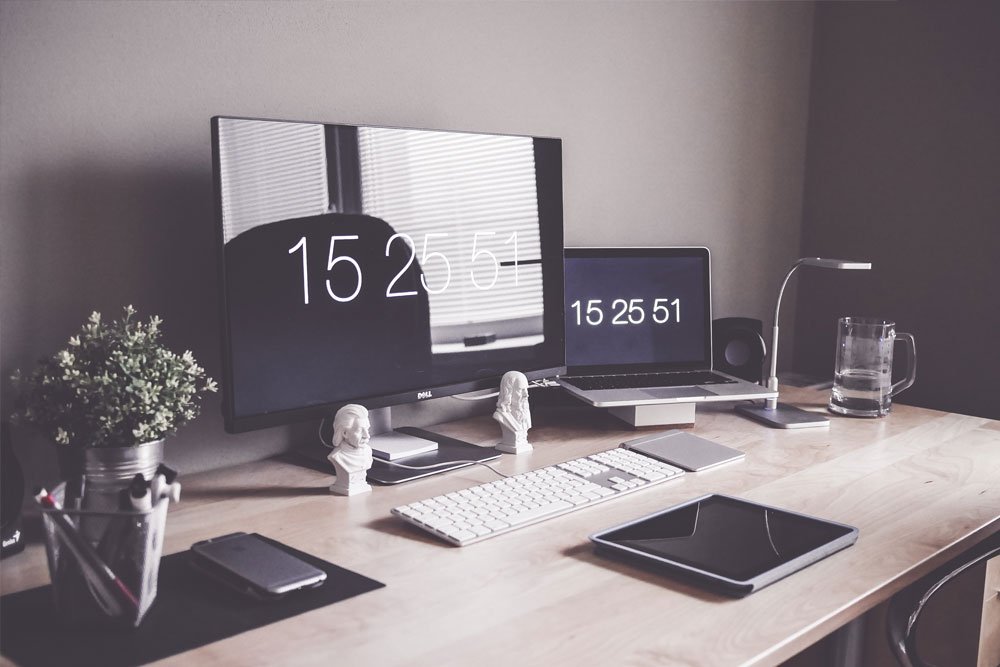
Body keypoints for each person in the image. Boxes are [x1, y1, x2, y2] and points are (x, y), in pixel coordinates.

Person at [327, 404, 373, 495]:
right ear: (345, 433)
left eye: (367, 429)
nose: (367, 436)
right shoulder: (337, 456)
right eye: (360, 431)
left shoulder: (368, 451)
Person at [493, 371, 532, 453]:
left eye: (526, 389)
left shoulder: (525, 414)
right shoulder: (500, 416)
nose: (526, 394)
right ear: (508, 392)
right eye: (521, 390)